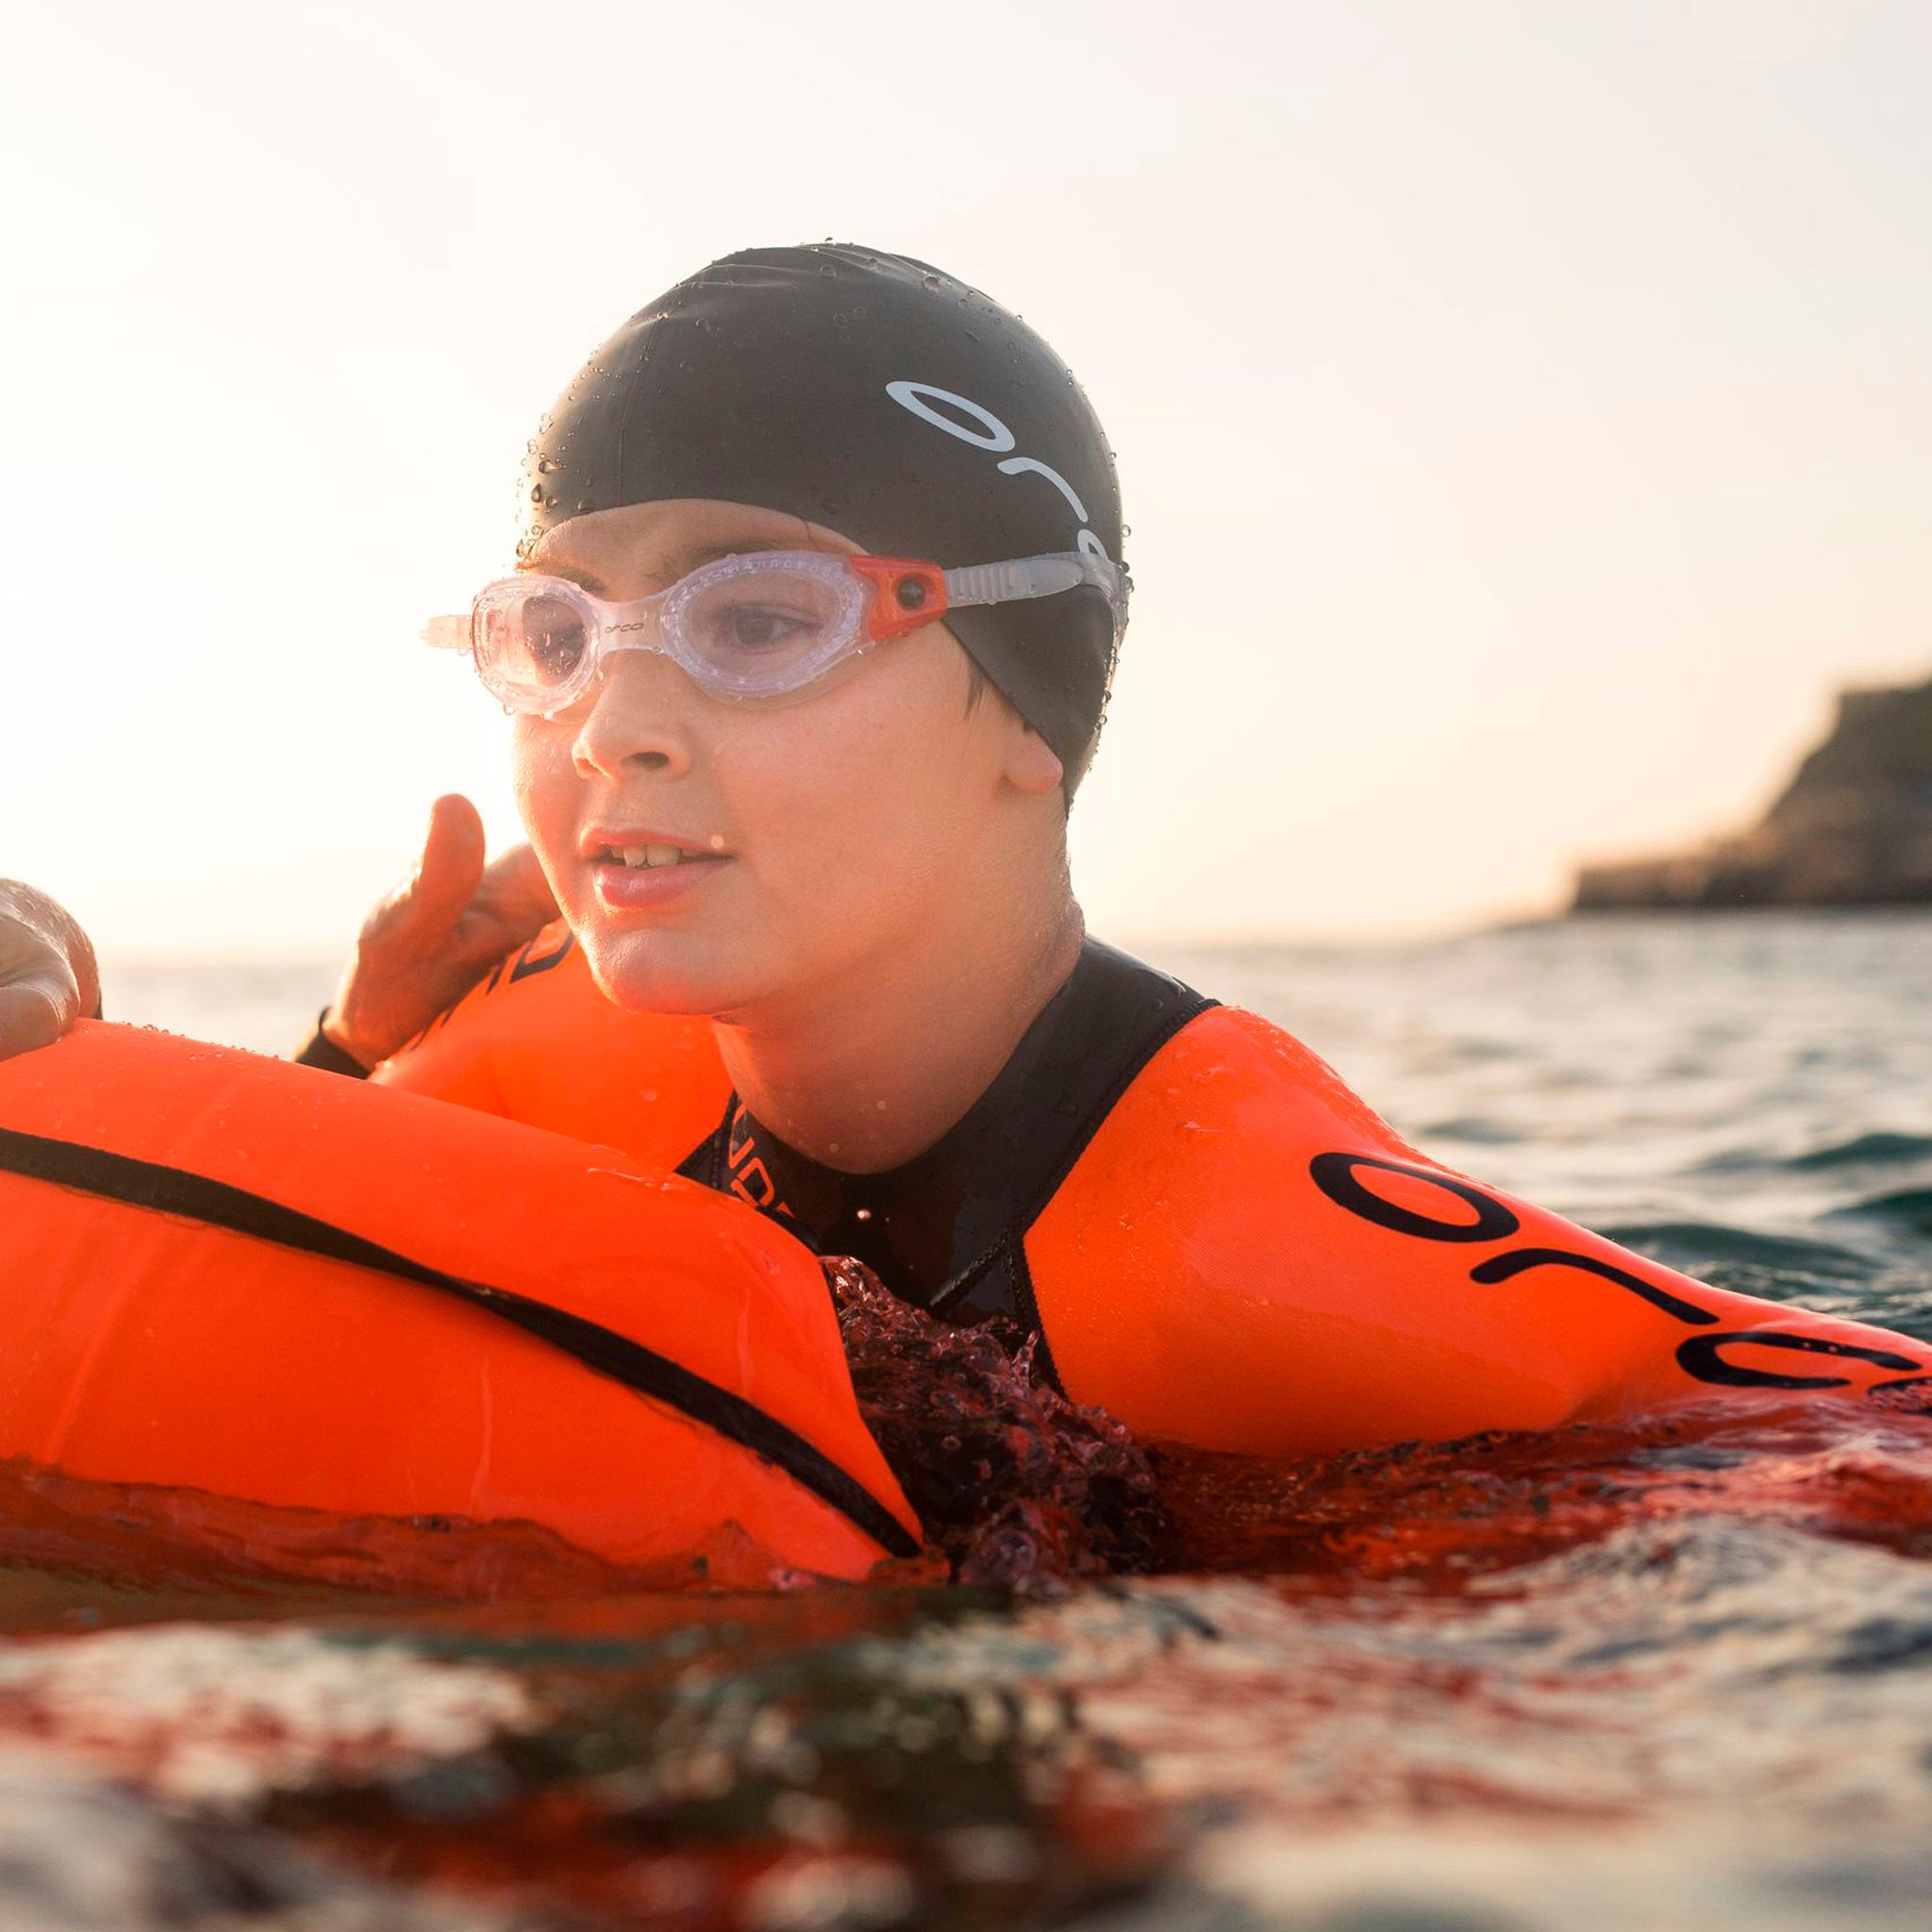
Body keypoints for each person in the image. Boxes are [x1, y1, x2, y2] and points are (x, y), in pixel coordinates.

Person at [5, 244, 1927, 1457]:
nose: (611, 727)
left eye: (759, 620)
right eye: (557, 633)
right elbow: (182, 1275)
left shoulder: (1256, 1247)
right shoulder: (541, 1063)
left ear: (1025, 705)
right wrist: (281, 1055)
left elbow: (1841, 1441)